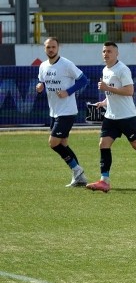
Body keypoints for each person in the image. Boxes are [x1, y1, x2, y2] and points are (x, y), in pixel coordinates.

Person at [85, 41, 136, 193]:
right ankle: (104, 180)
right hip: (111, 116)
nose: (106, 54)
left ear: (116, 54)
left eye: (109, 51)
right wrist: (105, 101)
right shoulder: (105, 70)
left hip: (126, 116)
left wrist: (107, 88)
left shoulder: (122, 69)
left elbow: (129, 91)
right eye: (104, 51)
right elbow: (112, 93)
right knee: (103, 144)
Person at [36, 37, 89, 187]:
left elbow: (84, 80)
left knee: (53, 143)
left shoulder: (66, 64)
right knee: (63, 144)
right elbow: (42, 82)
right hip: (54, 111)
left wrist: (68, 91)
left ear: (58, 48)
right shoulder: (43, 66)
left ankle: (77, 169)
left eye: (53, 47)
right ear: (44, 49)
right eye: (48, 47)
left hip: (67, 111)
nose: (51, 49)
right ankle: (80, 178)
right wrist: (40, 87)